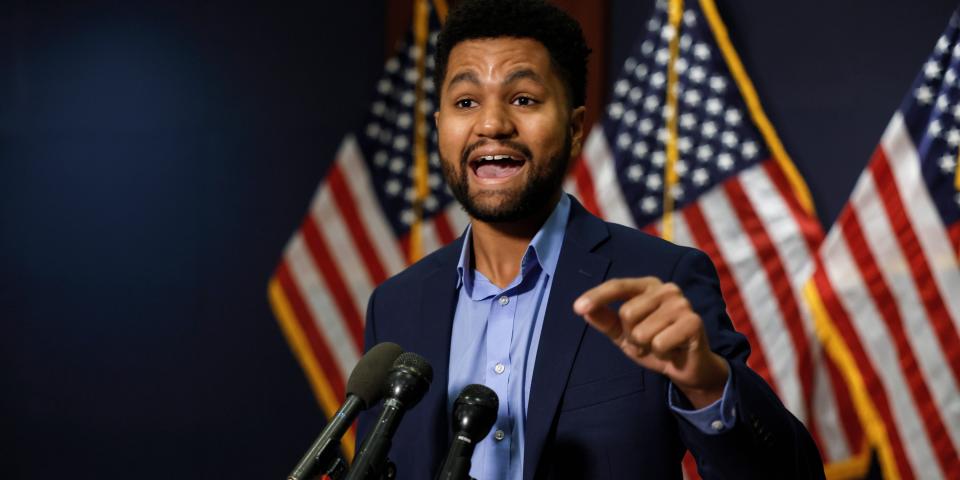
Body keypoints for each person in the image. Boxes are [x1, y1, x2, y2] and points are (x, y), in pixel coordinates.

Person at [358, 0, 824, 478]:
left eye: (523, 99)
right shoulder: (396, 306)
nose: (492, 124)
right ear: (440, 129)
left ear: (576, 128)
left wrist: (707, 386)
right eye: (465, 102)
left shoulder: (659, 280)